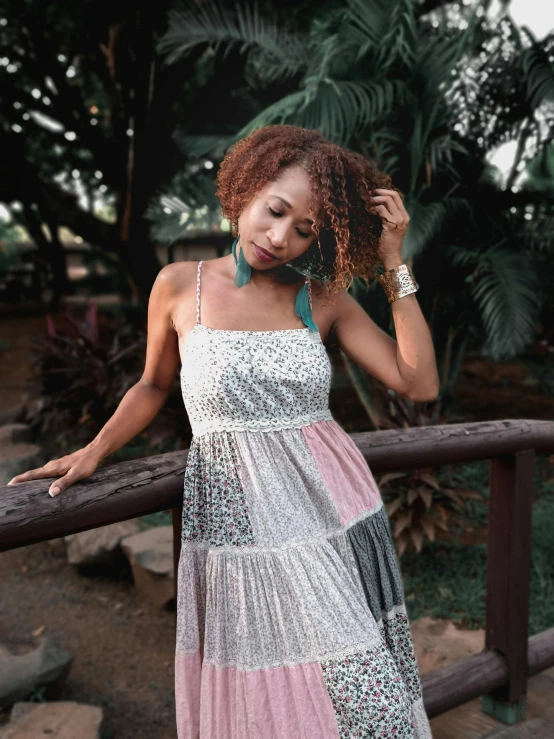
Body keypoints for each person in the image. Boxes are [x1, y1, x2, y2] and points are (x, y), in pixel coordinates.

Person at [9, 124, 438, 738]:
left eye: (305, 229)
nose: (279, 237)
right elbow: (154, 386)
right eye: (276, 211)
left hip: (330, 508)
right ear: (247, 189)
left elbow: (418, 383)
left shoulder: (324, 299)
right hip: (236, 513)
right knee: (262, 693)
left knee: (368, 697)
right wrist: (94, 450)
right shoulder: (180, 284)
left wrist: (396, 262)